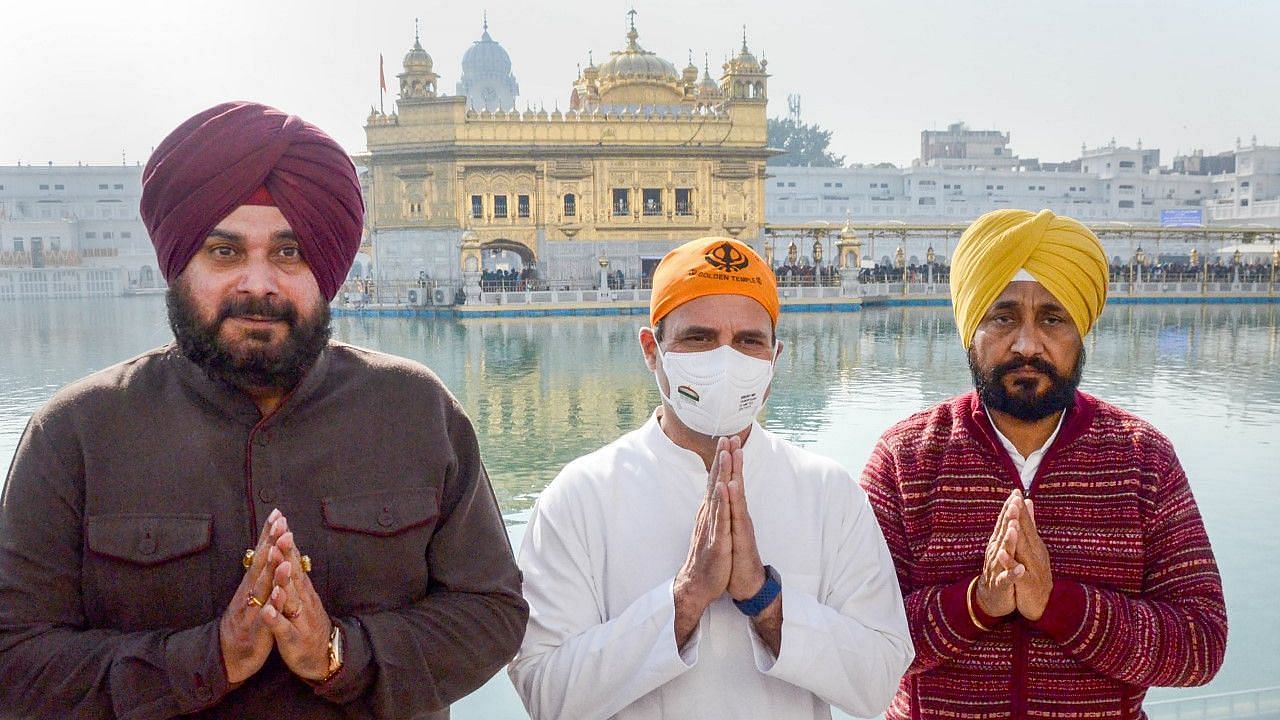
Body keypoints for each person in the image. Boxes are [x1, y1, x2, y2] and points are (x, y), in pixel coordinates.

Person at [0, 101, 526, 719]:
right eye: (224, 253)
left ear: (325, 267)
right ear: (180, 265)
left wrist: (339, 653)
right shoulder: (78, 433)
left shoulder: (414, 411)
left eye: (289, 252)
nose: (258, 283)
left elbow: (492, 612)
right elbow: (15, 660)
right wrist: (207, 659)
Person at [509, 236, 913, 719]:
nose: (726, 360)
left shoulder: (826, 492)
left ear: (774, 358)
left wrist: (766, 601)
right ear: (652, 350)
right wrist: (684, 600)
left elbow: (880, 679)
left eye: (748, 341)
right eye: (698, 338)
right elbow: (545, 694)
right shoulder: (581, 497)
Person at [860, 209, 1227, 719]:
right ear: (972, 329)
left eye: (1052, 318)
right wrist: (976, 604)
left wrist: (1057, 604)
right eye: (1003, 317)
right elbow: (860, 639)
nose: (1027, 344)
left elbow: (1201, 644)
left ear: (1082, 333)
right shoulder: (908, 458)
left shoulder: (1142, 460)